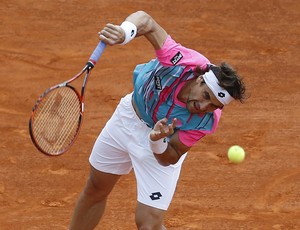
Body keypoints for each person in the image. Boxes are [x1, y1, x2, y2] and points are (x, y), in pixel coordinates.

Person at [69, 10, 246, 230]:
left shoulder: (205, 121)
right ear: (200, 80)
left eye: (213, 106)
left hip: (161, 142)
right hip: (127, 118)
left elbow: (170, 157)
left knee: (148, 223)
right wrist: (124, 33)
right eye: (206, 96)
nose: (204, 107)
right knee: (96, 188)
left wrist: (157, 140)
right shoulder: (182, 62)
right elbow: (146, 21)